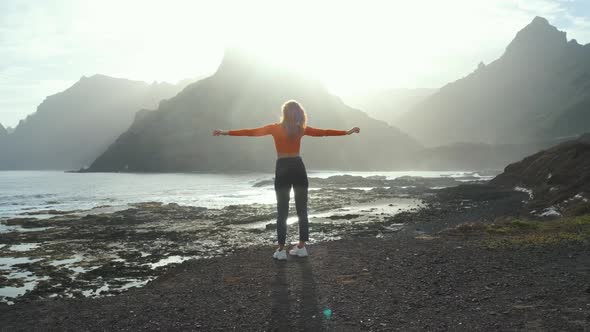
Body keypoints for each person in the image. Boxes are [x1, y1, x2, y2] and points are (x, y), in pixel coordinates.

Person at [213, 100, 360, 260]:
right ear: (299, 113)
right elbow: (323, 132)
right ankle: (302, 247)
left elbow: (251, 132)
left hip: (283, 167)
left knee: (282, 211)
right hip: (298, 167)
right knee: (302, 209)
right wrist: (346, 132)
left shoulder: (275, 128)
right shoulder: (301, 129)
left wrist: (225, 132)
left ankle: (281, 250)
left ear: (284, 113)